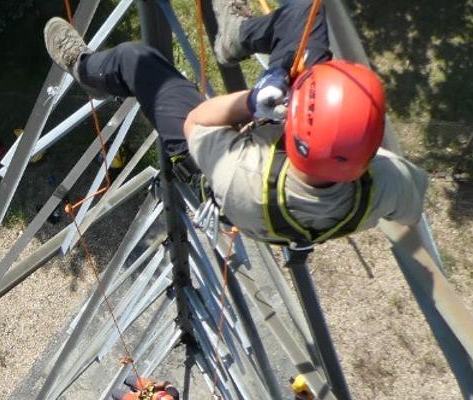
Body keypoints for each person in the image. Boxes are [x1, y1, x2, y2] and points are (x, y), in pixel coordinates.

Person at [41, 0, 426, 249]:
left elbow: (198, 122)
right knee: (306, 13)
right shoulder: (385, 185)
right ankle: (235, 36)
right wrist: (281, 77)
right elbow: (412, 207)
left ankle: (84, 69)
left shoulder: (242, 177)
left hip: (206, 160)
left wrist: (252, 102)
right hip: (284, 168)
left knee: (134, 61)